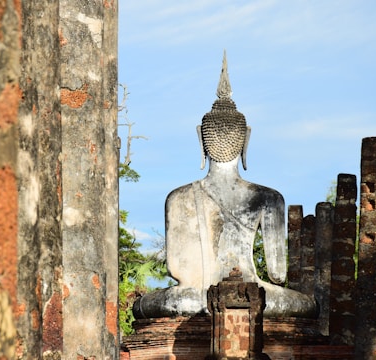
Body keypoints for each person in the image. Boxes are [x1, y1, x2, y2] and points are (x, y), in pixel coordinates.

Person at [133, 52, 317, 319]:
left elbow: (176, 269)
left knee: (153, 304)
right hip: (250, 294)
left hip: (194, 298)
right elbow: (277, 274)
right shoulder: (269, 198)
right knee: (304, 305)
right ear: (246, 139)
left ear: (201, 138)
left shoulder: (177, 198)